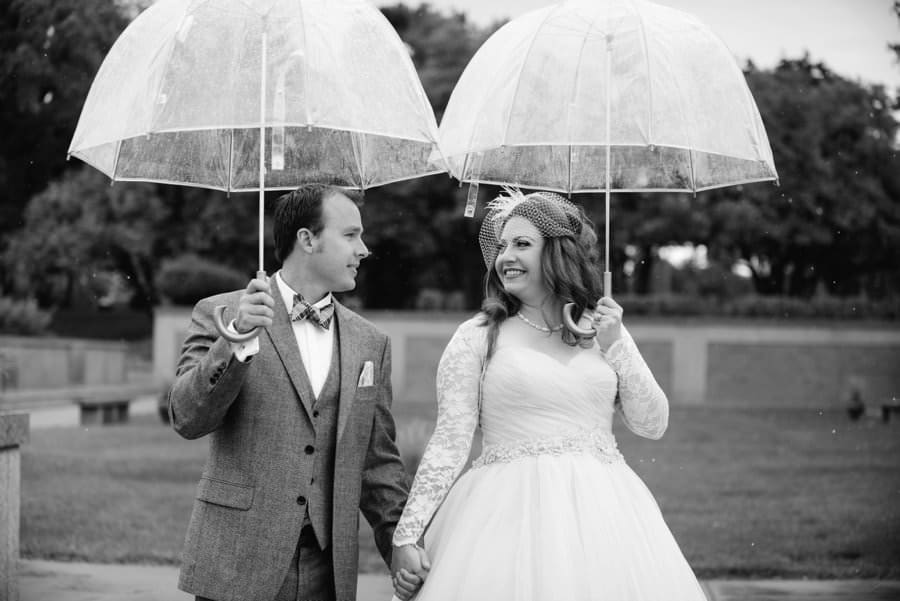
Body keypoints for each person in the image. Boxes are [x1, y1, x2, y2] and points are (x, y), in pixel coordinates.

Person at [390, 189, 708, 601]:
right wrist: (408, 535)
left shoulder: (602, 329)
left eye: (522, 244)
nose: (506, 256)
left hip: (605, 517)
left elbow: (653, 423)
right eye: (502, 246)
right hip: (506, 515)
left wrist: (617, 344)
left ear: (558, 253)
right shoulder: (477, 337)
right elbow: (450, 442)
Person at [168, 184, 427, 601]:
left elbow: (376, 460)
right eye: (350, 235)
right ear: (306, 239)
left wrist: (400, 542)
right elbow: (186, 417)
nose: (364, 249)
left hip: (327, 573)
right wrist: (235, 338)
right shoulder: (222, 313)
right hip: (237, 562)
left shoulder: (370, 342)